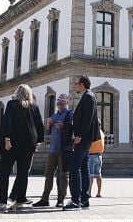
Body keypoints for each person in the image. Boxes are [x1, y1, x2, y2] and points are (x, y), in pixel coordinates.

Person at [0, 84, 45, 212]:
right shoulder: (34, 107)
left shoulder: (12, 104)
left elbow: (7, 122)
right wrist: (38, 142)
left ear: (17, 93)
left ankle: (2, 202)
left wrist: (7, 139)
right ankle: (20, 201)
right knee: (23, 173)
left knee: (4, 171)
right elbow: (39, 126)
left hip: (14, 142)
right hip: (29, 143)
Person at [64, 75, 97, 210]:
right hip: (85, 138)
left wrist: (79, 135)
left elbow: (87, 119)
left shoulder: (88, 97)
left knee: (74, 167)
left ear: (82, 84)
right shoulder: (86, 96)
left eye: (76, 83)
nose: (75, 85)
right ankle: (84, 199)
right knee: (83, 167)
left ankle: (75, 200)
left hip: (83, 138)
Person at [33, 95, 72, 207]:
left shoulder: (70, 114)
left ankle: (60, 200)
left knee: (63, 175)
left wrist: (63, 126)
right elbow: (48, 132)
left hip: (64, 149)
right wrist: (48, 125)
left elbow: (74, 129)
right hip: (53, 149)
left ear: (67, 102)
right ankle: (44, 199)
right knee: (48, 174)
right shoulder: (54, 116)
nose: (60, 102)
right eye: (58, 100)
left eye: (62, 100)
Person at [88, 125, 105, 198]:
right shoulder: (101, 132)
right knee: (98, 174)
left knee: (90, 174)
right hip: (99, 155)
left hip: (92, 155)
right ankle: (98, 193)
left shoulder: (93, 131)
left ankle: (88, 192)